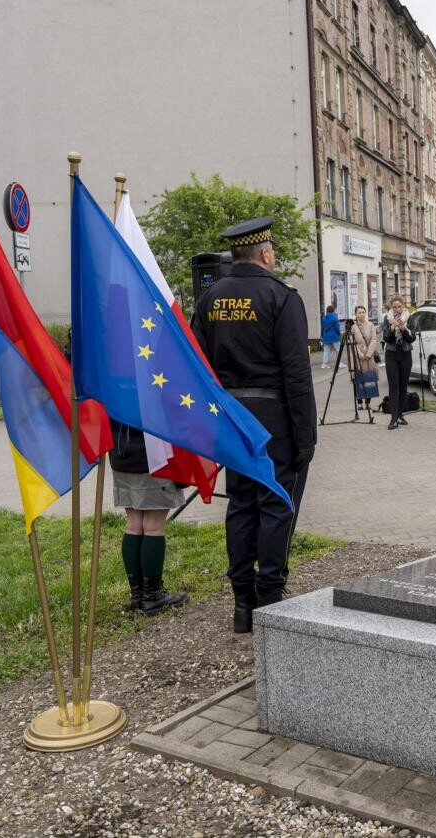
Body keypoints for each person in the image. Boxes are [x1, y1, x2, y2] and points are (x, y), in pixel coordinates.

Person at [192, 216, 317, 633]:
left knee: (241, 505)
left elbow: (199, 367)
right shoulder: (281, 297)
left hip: (230, 418)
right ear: (265, 254)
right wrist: (306, 434)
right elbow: (296, 372)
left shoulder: (211, 299)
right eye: (274, 252)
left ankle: (242, 604)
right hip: (273, 420)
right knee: (276, 505)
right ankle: (269, 597)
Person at [109, 421, 190, 616]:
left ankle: (138, 596)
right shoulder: (151, 387)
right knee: (153, 526)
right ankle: (152, 596)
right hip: (153, 458)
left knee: (134, 523)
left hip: (120, 452)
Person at [381, 295, 415, 430]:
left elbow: (412, 338)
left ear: (403, 306)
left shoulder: (409, 317)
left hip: (405, 353)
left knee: (403, 387)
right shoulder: (387, 318)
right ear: (391, 307)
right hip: (391, 354)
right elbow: (386, 338)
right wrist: (392, 328)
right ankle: (393, 419)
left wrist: (402, 328)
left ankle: (400, 414)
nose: (397, 309)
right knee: (393, 387)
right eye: (394, 307)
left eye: (399, 307)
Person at [347, 305, 379, 414]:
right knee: (358, 378)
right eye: (359, 312)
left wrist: (369, 353)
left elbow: (374, 339)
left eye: (363, 312)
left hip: (369, 356)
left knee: (369, 378)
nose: (361, 314)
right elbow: (352, 342)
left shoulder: (370, 325)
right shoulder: (353, 327)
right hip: (357, 356)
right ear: (355, 314)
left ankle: (368, 402)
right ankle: (359, 402)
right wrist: (359, 354)